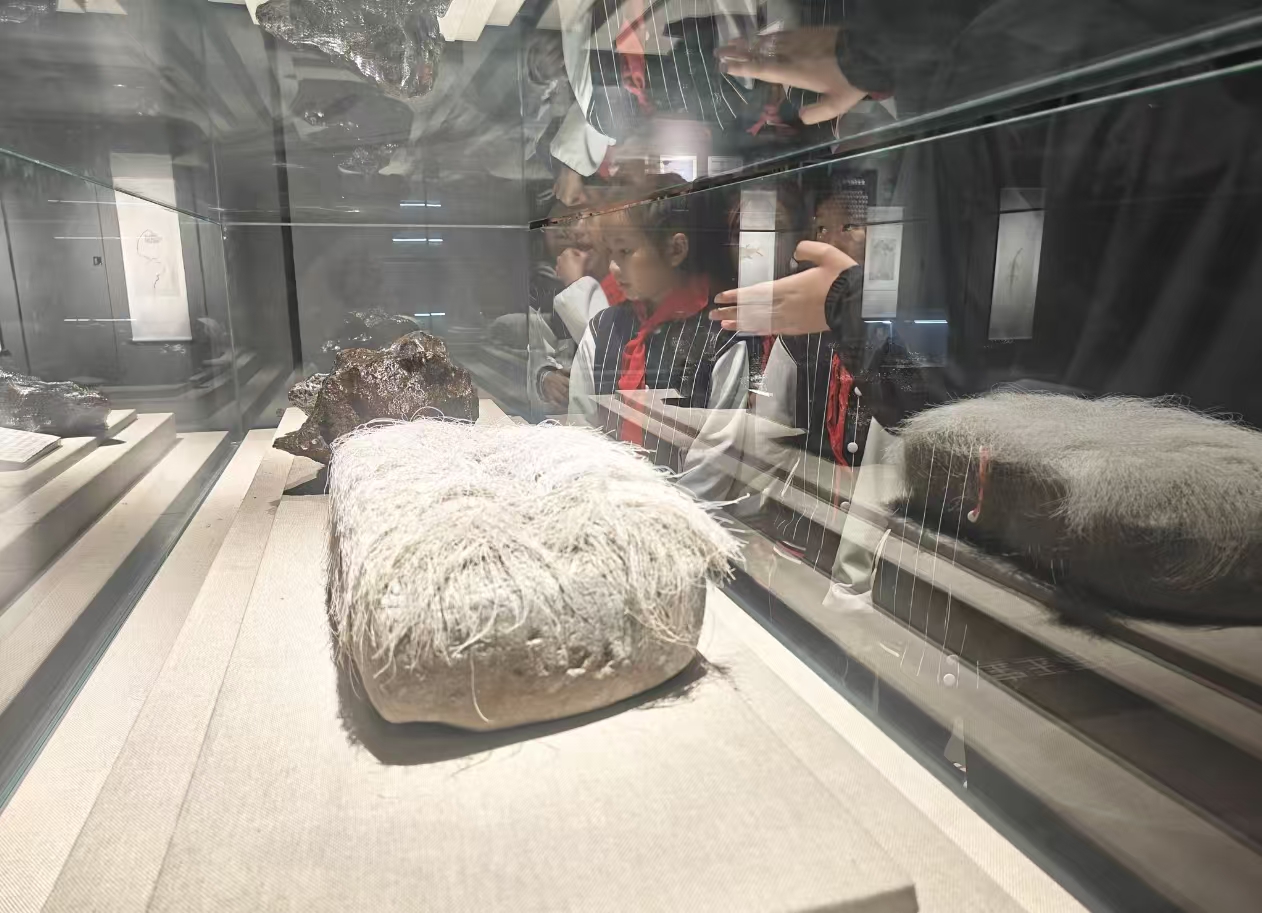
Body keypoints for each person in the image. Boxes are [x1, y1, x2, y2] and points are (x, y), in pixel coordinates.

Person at [567, 186, 756, 503]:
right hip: (604, 505)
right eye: (610, 253)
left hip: (686, 515)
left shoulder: (720, 337)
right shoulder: (603, 329)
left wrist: (669, 515)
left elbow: (716, 456)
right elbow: (581, 428)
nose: (613, 266)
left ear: (675, 250)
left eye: (625, 251)